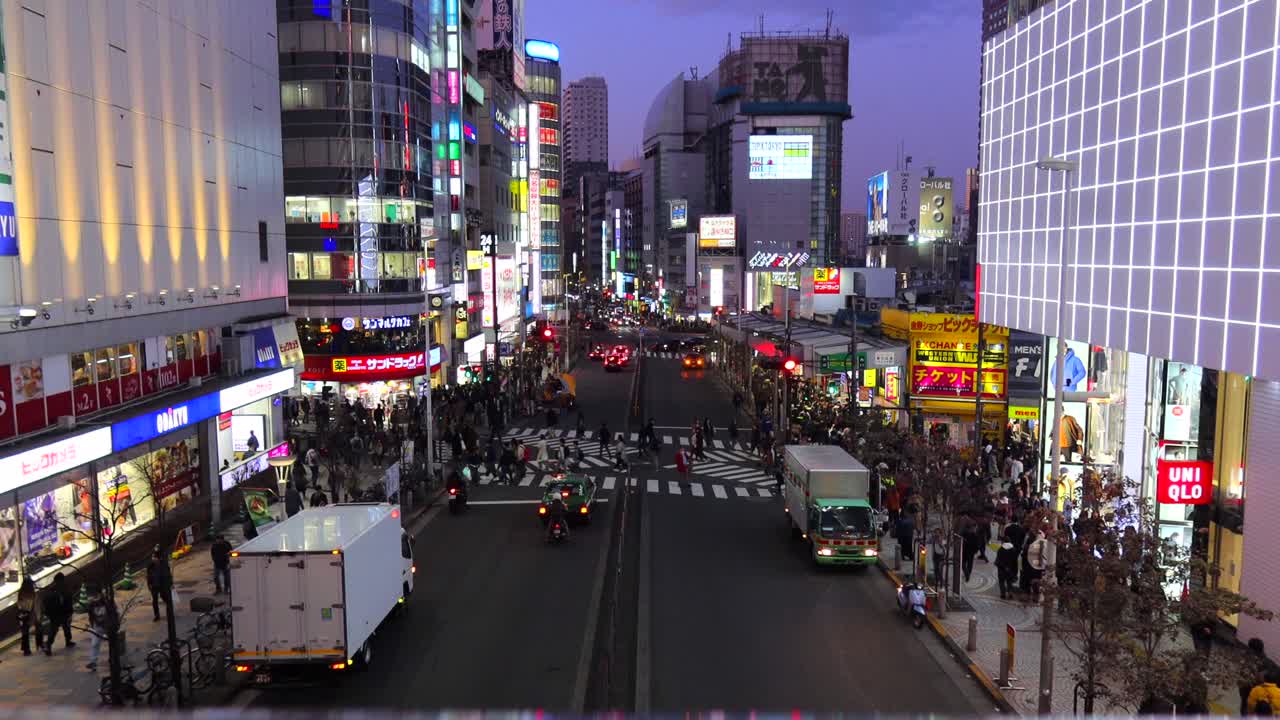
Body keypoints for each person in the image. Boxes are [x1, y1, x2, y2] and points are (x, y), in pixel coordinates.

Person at [40, 573, 74, 656]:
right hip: (60, 613)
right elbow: (68, 600)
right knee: (63, 627)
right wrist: (70, 611)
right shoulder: (62, 589)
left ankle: (50, 645)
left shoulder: (51, 589)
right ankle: (52, 644)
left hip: (55, 614)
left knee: (57, 629)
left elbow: (45, 602)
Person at [85, 586, 118, 672]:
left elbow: (115, 612)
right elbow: (91, 616)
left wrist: (114, 624)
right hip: (98, 626)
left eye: (96, 595)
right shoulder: (91, 604)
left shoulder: (107, 602)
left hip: (108, 625)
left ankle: (113, 658)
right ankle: (93, 662)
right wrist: (92, 625)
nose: (94, 598)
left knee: (112, 643)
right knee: (95, 644)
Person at [16, 577, 42, 656]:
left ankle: (26, 649)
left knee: (25, 632)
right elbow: (35, 606)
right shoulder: (32, 593)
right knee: (38, 628)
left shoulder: (21, 593)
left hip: (24, 614)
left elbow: (20, 604)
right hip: (31, 614)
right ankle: (39, 644)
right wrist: (38, 616)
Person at [146, 548, 173, 622]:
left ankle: (169, 612)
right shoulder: (150, 566)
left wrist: (170, 582)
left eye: (154, 557)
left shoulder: (163, 565)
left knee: (165, 598)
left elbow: (168, 574)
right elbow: (148, 576)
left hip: (162, 585)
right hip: (154, 586)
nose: (153, 558)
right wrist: (149, 585)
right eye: (152, 557)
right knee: (154, 601)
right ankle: (157, 615)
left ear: (158, 558)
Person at [995, 533, 1019, 600]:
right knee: (1009, 582)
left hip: (1002, 569)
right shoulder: (1013, 550)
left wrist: (1001, 566)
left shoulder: (1000, 549)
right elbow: (1015, 562)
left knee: (1001, 581)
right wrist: (1015, 571)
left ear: (1003, 541)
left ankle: (1003, 594)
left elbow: (998, 559)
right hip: (1010, 569)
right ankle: (1010, 593)